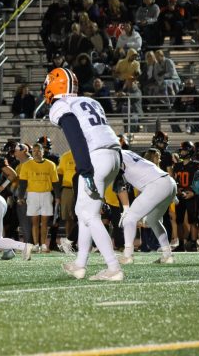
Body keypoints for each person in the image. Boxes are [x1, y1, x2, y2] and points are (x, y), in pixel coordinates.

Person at [44, 67, 124, 281]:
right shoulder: (91, 101)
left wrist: (84, 168)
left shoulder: (60, 105)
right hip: (114, 154)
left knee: (89, 215)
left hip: (95, 157)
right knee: (83, 211)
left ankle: (113, 268)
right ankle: (80, 264)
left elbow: (75, 134)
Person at [116, 149, 176, 264]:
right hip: (170, 183)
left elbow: (119, 185)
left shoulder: (114, 156)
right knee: (153, 220)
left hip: (156, 185)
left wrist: (125, 208)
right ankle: (167, 255)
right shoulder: (127, 152)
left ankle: (127, 255)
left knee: (129, 218)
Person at [17, 143, 60, 253]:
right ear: (32, 152)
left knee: (45, 222)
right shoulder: (27, 165)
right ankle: (36, 244)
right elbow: (22, 183)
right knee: (35, 222)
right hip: (32, 195)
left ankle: (44, 244)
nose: (36, 153)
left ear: (43, 152)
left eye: (39, 151)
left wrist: (58, 196)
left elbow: (55, 182)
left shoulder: (51, 165)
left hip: (46, 194)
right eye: (34, 151)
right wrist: (20, 196)